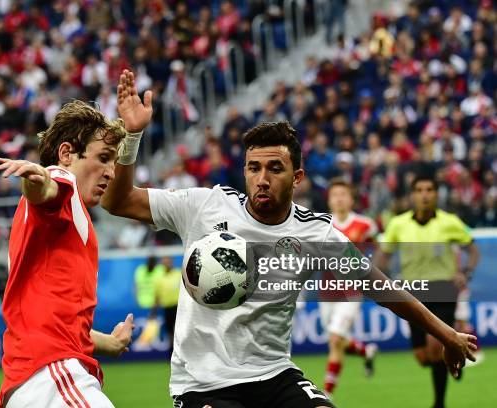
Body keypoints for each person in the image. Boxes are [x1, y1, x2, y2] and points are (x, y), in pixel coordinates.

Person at [102, 70, 476, 408]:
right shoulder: (205, 206)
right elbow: (118, 202)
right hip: (203, 384)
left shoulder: (314, 233)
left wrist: (447, 335)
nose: (262, 178)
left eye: (274, 168)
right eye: (254, 168)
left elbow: (381, 287)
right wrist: (132, 136)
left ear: (296, 178)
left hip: (273, 375)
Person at [0, 96, 152, 407]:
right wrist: (37, 179)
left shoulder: (66, 225)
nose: (110, 172)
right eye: (104, 157)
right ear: (67, 153)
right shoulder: (62, 182)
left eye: (113, 162)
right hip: (53, 377)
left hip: (35, 381)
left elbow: (56, 324)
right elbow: (48, 189)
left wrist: (109, 341)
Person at [377, 175, 479, 408]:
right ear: (412, 195)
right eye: (420, 190)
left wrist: (465, 272)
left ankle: (439, 403)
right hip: (412, 290)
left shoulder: (450, 221)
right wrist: (388, 282)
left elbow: (472, 250)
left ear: (436, 194)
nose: (425, 194)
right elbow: (383, 256)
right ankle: (455, 356)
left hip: (443, 287)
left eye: (430, 189)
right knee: (423, 357)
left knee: (435, 348)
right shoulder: (398, 224)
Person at [320, 181, 378, 398]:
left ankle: (327, 394)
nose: (339, 199)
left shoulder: (365, 225)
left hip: (351, 293)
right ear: (329, 200)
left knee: (335, 340)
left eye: (343, 194)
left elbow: (376, 252)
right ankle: (366, 351)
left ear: (351, 199)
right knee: (338, 340)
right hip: (326, 293)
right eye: (335, 195)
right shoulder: (320, 225)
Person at [153, 256, 182, 352]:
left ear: (172, 262)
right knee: (170, 332)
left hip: (179, 307)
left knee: (179, 331)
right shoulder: (159, 277)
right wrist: (154, 311)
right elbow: (157, 296)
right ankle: (172, 352)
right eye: (165, 262)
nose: (167, 264)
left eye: (168, 262)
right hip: (167, 308)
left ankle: (181, 352)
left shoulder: (178, 274)